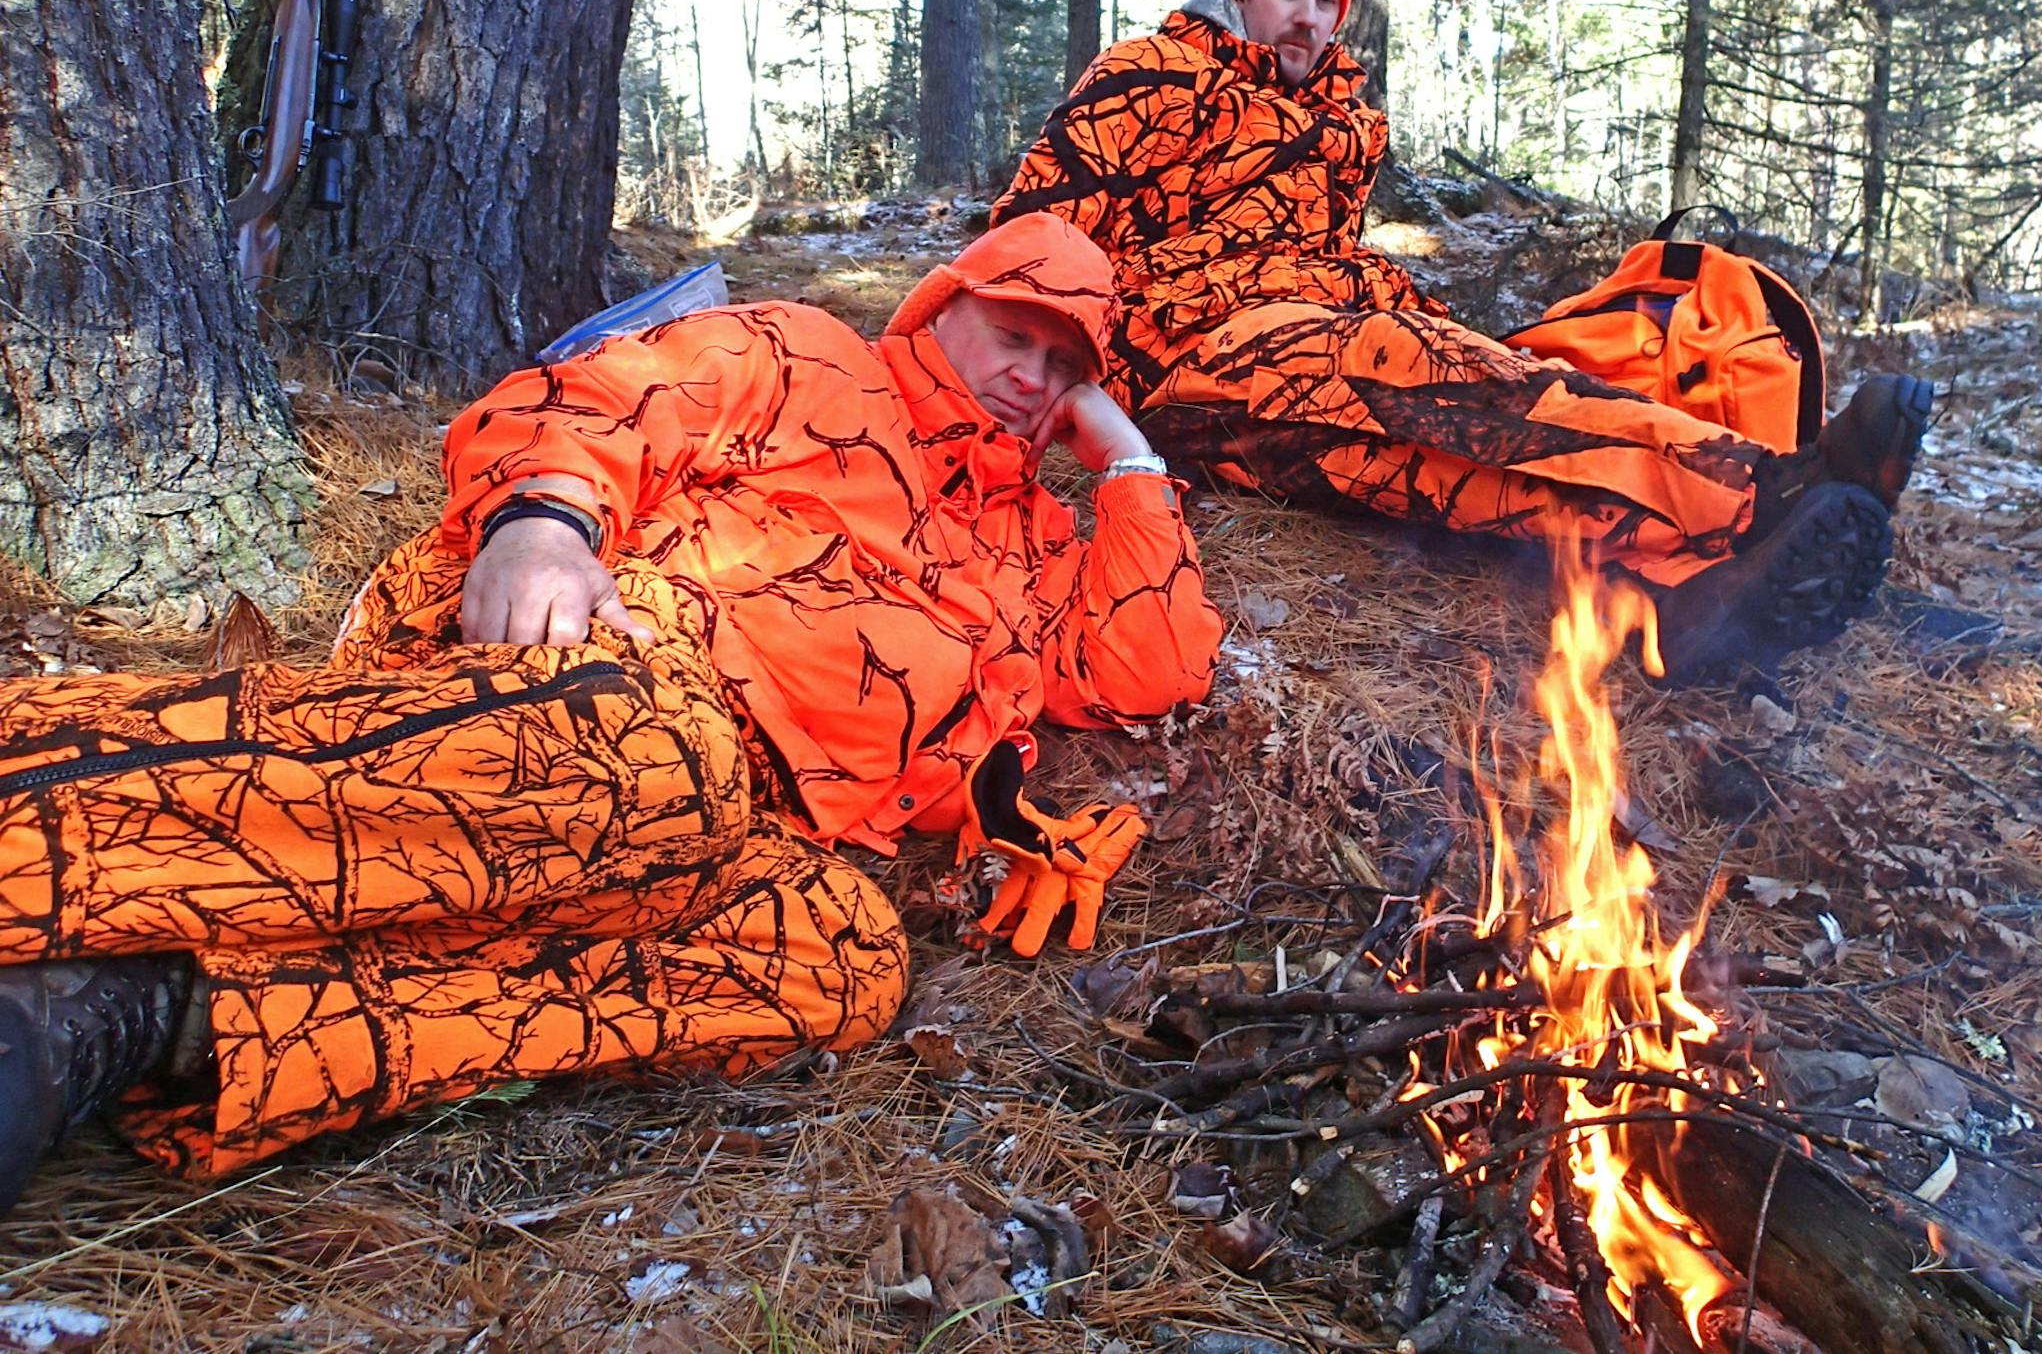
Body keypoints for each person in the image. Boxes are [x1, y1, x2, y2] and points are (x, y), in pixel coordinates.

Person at [0, 212, 1221, 1211]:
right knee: (667, 769)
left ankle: (160, 1009)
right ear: (942, 304)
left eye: (1068, 367)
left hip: (743, 820)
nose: (1034, 376)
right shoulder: (808, 357)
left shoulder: (1025, 542)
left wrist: (1125, 459)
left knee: (845, 953)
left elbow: (1148, 667)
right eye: (1019, 334)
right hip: (602, 674)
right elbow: (613, 397)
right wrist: (545, 518)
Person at [991, 0, 1932, 683]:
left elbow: (1318, 256)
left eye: (1329, 0)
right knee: (1421, 377)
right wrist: (1075, 383)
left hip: (1309, 349)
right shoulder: (1148, 76)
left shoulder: (1344, 123)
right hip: (1188, 355)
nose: (1311, 19)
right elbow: (1029, 236)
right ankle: (1764, 483)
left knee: (1453, 454)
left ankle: (1686, 588)